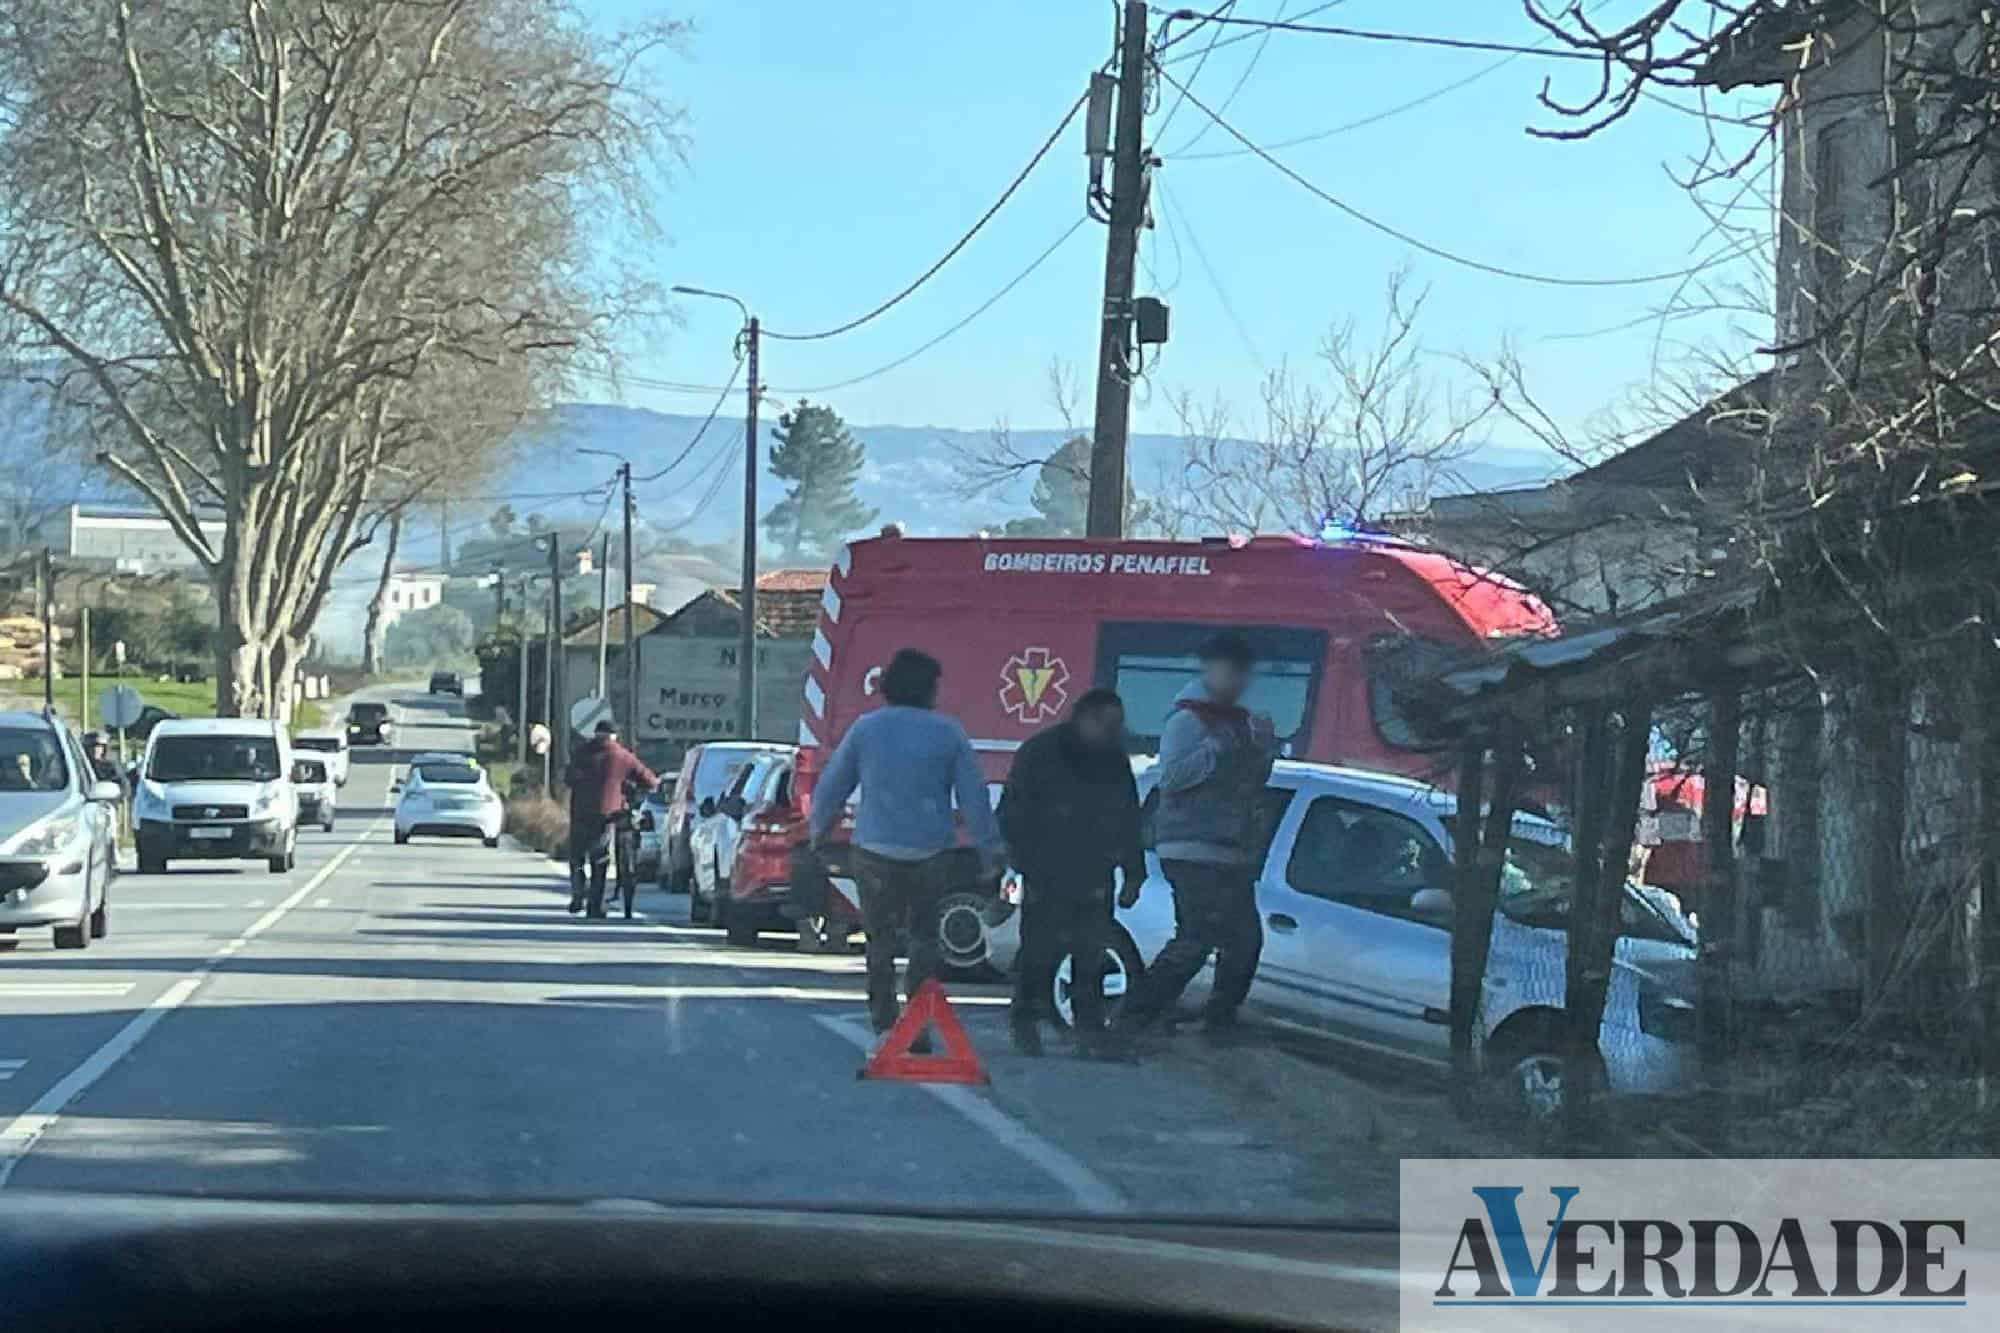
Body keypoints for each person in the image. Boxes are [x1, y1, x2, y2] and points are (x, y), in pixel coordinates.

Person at [809, 648, 1000, 1040]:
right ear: (929, 688)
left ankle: (883, 1021)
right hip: (931, 851)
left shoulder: (866, 729)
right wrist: (988, 850)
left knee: (879, 939)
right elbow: (974, 798)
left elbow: (833, 785)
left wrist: (818, 830)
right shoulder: (948, 732)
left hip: (874, 849)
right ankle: (917, 1022)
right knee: (924, 939)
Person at [1116, 631, 1278, 1041]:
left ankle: (1217, 1019)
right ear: (1212, 669)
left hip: (1231, 849)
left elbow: (1252, 782)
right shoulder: (1188, 720)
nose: (1239, 681)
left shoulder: (1238, 723)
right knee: (1197, 937)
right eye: (1232, 670)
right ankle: (1136, 1016)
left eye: (1244, 673)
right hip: (1191, 847)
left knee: (1243, 940)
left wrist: (1263, 750)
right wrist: (1216, 747)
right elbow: (1172, 777)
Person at [996, 687, 1145, 1059]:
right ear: (1084, 718)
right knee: (1039, 953)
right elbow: (1012, 813)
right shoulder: (1041, 753)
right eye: (1106, 724)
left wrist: (1133, 872)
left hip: (1095, 874)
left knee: (1090, 956)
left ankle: (1088, 1030)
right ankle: (1025, 1021)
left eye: (1117, 725)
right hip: (1046, 872)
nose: (1112, 732)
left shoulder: (1114, 762)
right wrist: (1023, 864)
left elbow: (1129, 818)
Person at [564, 719, 657, 919]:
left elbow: (568, 779)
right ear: (614, 736)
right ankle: (595, 905)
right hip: (607, 815)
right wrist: (630, 790)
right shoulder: (623, 756)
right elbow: (650, 781)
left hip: (580, 813)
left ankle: (578, 892)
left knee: (577, 856)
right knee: (599, 860)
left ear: (596, 734)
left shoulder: (580, 753)